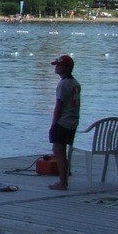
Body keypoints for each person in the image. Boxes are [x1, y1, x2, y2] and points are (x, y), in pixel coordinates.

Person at [48, 54, 81, 190]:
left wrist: (54, 124)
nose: (56, 67)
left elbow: (59, 106)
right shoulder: (75, 83)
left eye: (59, 65)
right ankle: (64, 179)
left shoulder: (63, 84)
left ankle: (62, 183)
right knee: (60, 151)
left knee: (59, 152)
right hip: (73, 120)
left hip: (63, 122)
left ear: (66, 68)